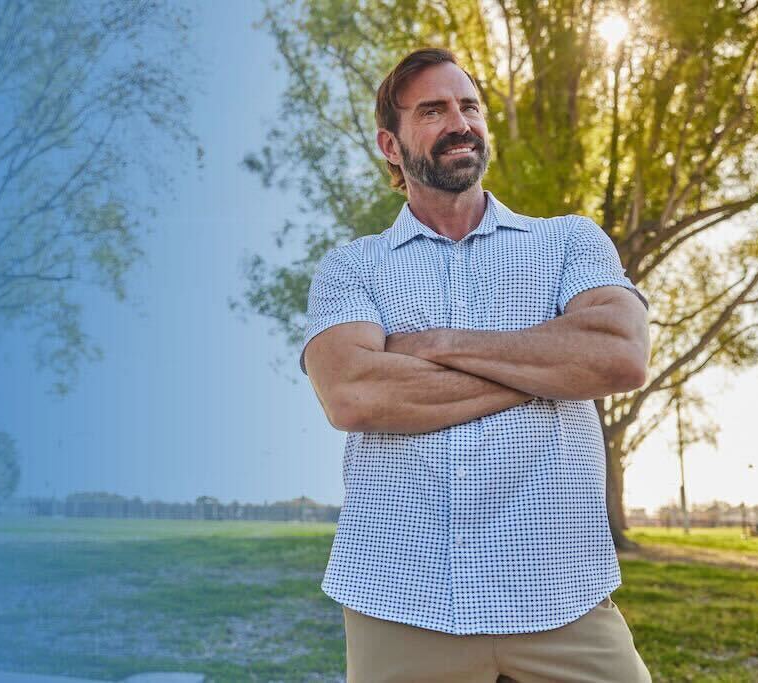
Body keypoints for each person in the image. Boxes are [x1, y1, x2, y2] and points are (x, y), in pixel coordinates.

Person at [300, 48, 653, 682]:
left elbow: (619, 356)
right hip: (402, 599)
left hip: (562, 597)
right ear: (390, 143)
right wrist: (546, 369)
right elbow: (352, 395)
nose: (460, 122)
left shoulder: (570, 241)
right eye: (432, 110)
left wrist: (430, 345)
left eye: (470, 106)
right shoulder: (352, 267)